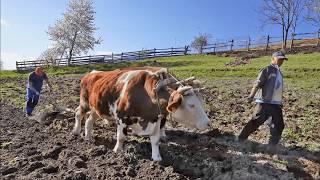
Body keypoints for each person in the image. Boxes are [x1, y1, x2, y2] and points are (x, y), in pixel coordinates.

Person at [237, 51, 288, 145]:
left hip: (276, 104)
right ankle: (241, 139)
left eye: (283, 60)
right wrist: (251, 96)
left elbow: (278, 88)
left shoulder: (279, 73)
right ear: (273, 59)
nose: (281, 61)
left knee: (279, 125)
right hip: (264, 102)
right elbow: (257, 83)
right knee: (255, 122)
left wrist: (280, 101)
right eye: (279, 59)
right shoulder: (267, 69)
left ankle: (271, 146)